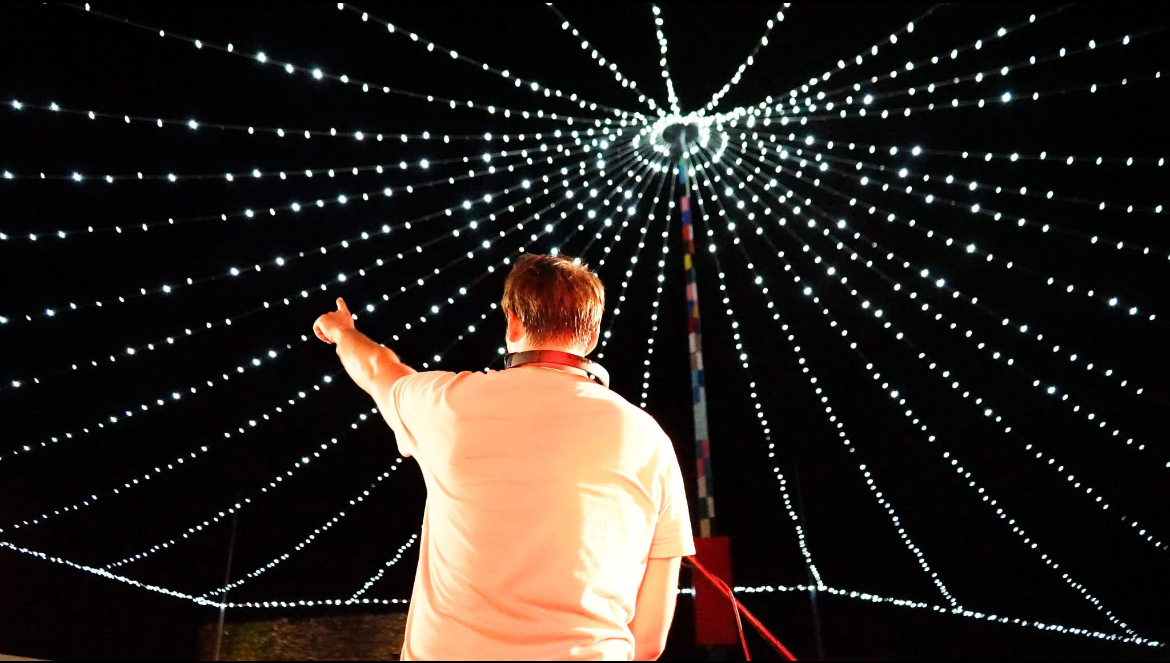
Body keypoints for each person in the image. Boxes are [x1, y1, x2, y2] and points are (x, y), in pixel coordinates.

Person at [313, 253, 695, 661]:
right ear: (593, 333)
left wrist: (342, 333)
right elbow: (650, 640)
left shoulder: (449, 404)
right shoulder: (649, 438)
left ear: (513, 321)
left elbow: (375, 368)